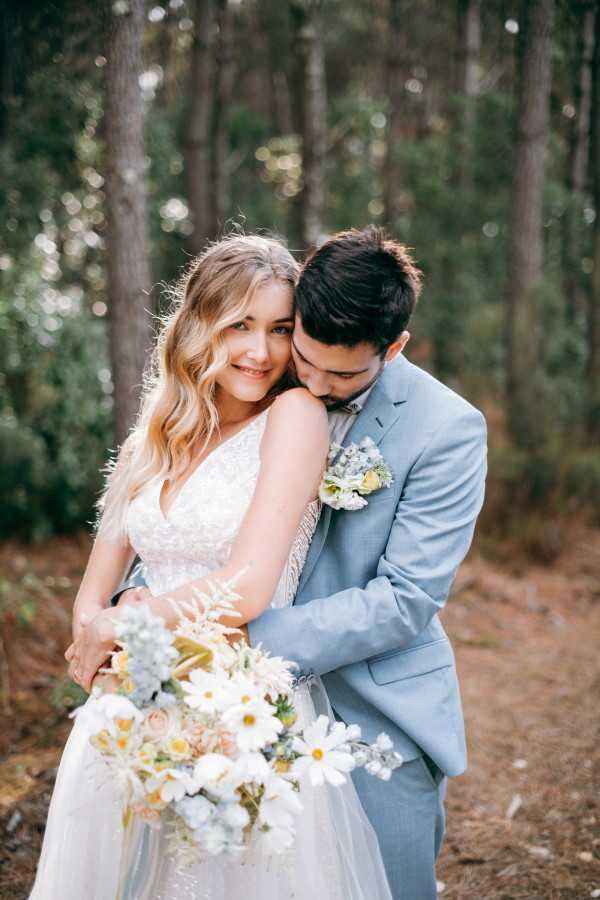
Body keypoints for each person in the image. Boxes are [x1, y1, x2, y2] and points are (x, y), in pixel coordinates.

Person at [114, 226, 487, 899]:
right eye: (305, 358)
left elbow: (403, 599)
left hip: (373, 711)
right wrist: (141, 594)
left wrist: (238, 639)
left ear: (394, 346)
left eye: (341, 374)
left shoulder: (447, 430)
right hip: (219, 705)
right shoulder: (261, 373)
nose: (312, 383)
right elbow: (193, 511)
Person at [28, 234, 393, 900]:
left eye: (280, 330)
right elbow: (94, 587)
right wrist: (94, 637)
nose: (260, 351)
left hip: (235, 701)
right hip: (128, 703)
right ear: (201, 326)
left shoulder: (295, 415)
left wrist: (123, 626)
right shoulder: (157, 433)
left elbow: (249, 586)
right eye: (240, 326)